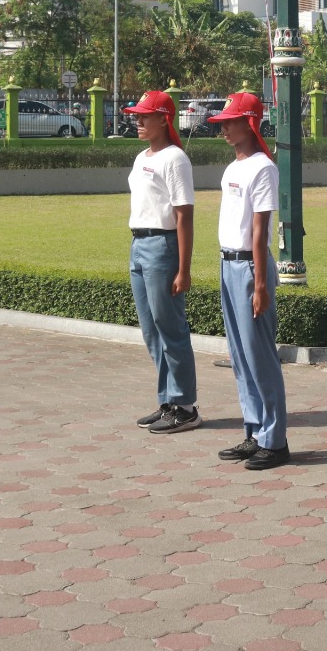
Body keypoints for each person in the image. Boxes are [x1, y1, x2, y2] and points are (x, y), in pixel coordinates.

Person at [209, 92, 291, 470]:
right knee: (240, 355)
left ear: (251, 123)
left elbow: (259, 232)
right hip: (229, 263)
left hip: (250, 266)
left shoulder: (263, 167)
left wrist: (260, 283)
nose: (224, 127)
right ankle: (254, 429)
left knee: (259, 356)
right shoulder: (233, 167)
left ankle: (274, 440)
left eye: (231, 120)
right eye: (223, 122)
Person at [126, 89, 200, 433]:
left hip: (162, 245)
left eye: (145, 115)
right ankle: (167, 400)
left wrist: (183, 269)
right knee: (151, 329)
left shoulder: (175, 159)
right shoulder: (143, 156)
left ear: (164, 119)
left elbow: (184, 215)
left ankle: (185, 405)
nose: (138, 120)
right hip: (139, 244)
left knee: (170, 328)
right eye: (137, 115)